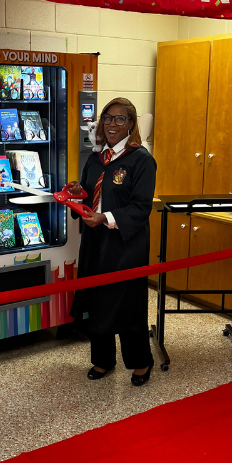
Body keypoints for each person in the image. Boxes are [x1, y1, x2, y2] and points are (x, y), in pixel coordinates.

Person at [71, 97, 157, 387]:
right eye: (108, 118)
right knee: (97, 299)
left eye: (120, 119)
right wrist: (77, 191)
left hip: (125, 241)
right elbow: (90, 193)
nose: (112, 124)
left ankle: (140, 361)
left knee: (126, 301)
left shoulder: (141, 160)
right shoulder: (96, 159)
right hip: (95, 240)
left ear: (131, 124)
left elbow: (141, 207)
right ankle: (103, 359)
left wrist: (105, 218)